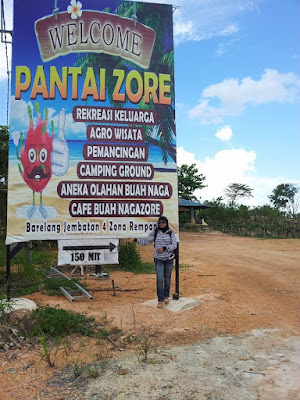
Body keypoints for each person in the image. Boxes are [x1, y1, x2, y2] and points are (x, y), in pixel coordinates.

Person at [129, 216, 177, 308]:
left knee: (167, 279)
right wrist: (135, 240)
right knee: (159, 279)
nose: (161, 224)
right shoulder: (155, 232)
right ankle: (160, 300)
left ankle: (166, 296)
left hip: (169, 259)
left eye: (163, 222)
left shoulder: (170, 233)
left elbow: (174, 245)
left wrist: (164, 248)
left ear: (166, 223)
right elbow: (146, 241)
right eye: (160, 223)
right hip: (158, 259)